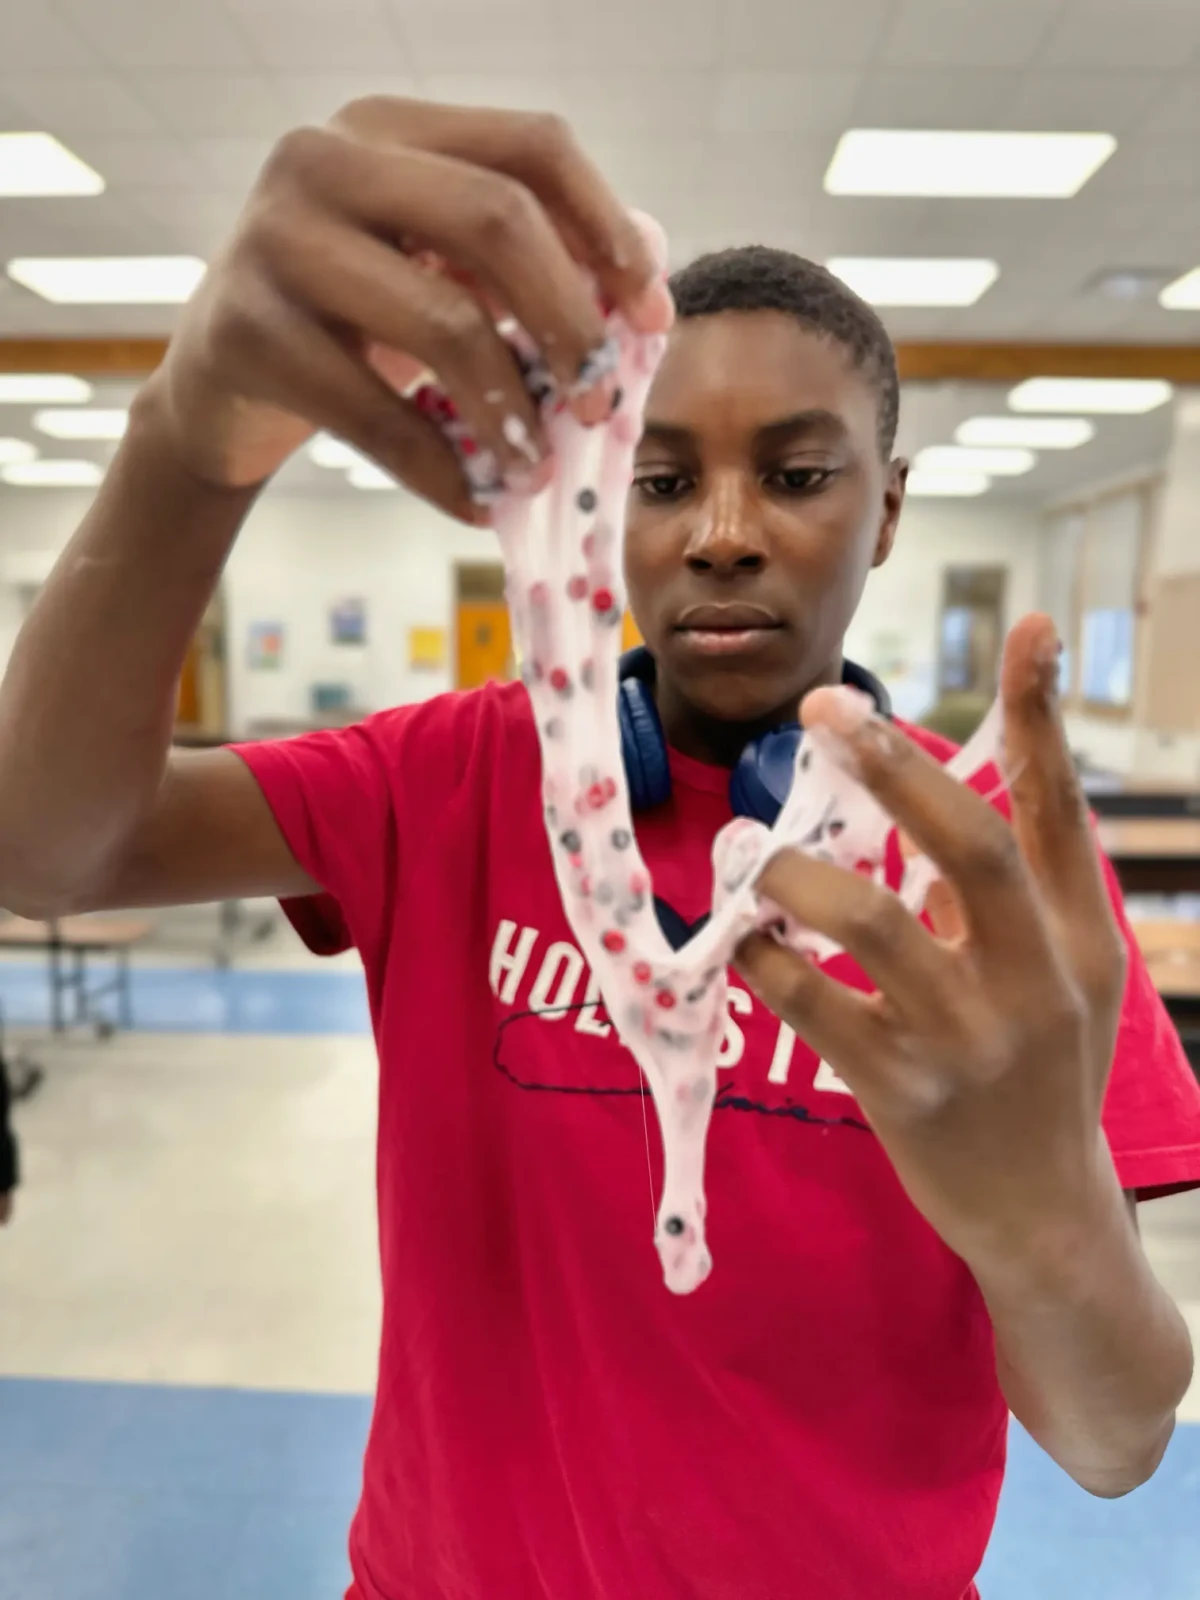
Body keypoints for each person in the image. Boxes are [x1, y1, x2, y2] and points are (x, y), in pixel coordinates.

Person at [0, 98, 1197, 1600]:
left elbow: (1111, 1444)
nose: (723, 533)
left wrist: (1049, 1229)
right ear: (602, 504)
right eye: (664, 475)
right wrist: (184, 441)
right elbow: (42, 852)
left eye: (800, 474)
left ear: (887, 514)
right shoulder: (450, 780)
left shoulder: (996, 879)